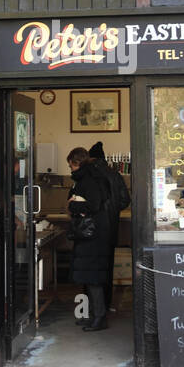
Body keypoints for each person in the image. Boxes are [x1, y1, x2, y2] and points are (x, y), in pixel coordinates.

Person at [66, 146, 112, 332]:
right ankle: (93, 315)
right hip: (90, 233)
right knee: (89, 276)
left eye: (71, 166)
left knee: (93, 277)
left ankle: (99, 317)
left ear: (77, 163)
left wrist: (73, 205)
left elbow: (94, 204)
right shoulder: (91, 177)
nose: (71, 169)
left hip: (92, 234)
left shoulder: (89, 179)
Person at [88, 141, 130, 311]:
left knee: (90, 269)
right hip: (111, 227)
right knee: (107, 266)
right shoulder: (115, 174)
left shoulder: (88, 175)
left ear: (91, 158)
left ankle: (93, 308)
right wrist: (113, 211)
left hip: (92, 229)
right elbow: (125, 200)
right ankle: (107, 304)